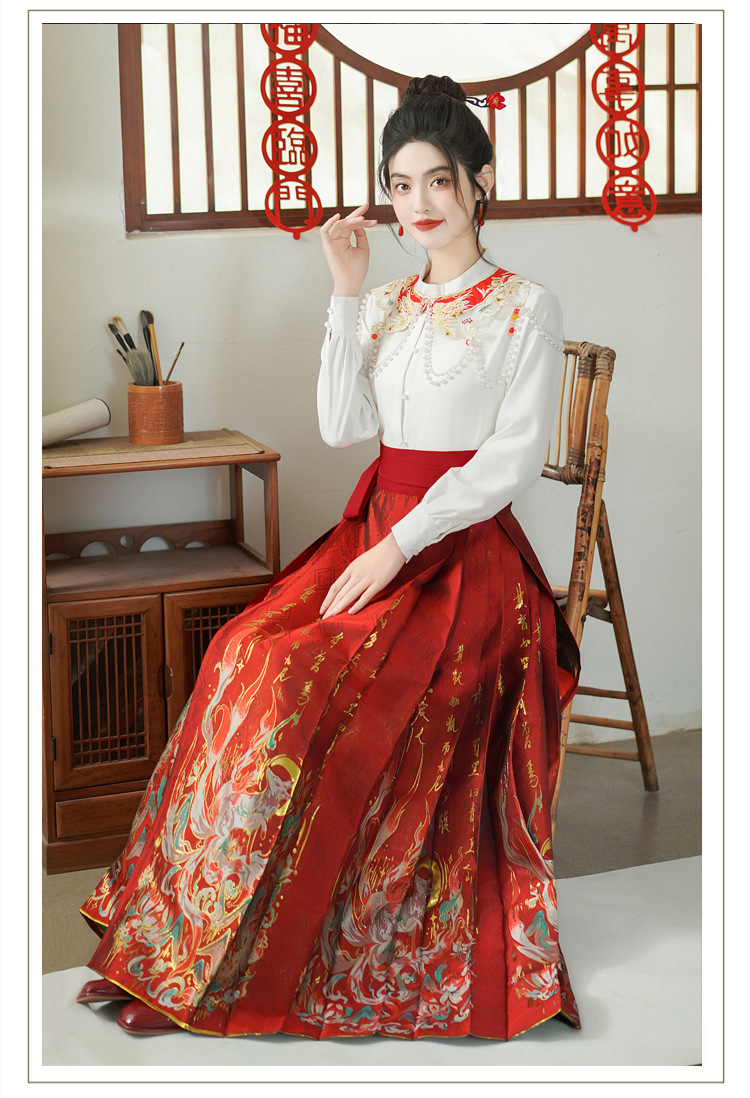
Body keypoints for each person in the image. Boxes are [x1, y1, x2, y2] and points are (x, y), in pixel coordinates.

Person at [76, 74, 580, 1041]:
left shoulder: (525, 306)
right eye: (400, 185)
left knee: (301, 677)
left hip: (460, 555)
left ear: (479, 184)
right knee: (242, 653)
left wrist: (399, 547)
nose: (419, 204)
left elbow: (511, 460)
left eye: (439, 181)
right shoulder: (383, 300)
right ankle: (187, 945)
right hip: (373, 533)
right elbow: (344, 425)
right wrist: (345, 293)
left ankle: (257, 959)